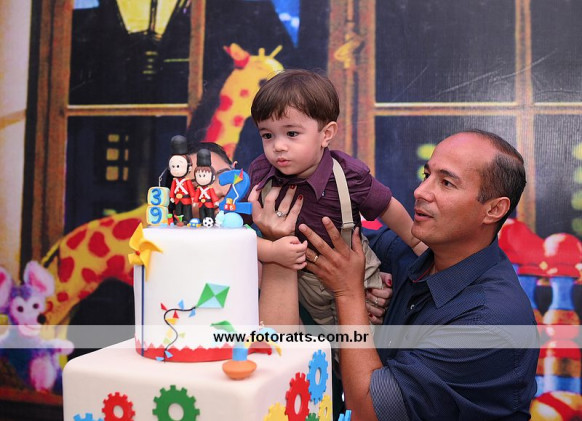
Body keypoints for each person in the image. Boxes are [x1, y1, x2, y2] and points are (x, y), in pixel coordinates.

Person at [258, 129, 539, 420]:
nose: (421, 191)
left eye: (446, 183)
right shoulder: (407, 254)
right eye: (426, 175)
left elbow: (366, 413)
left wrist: (350, 294)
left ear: (494, 209)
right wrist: (275, 235)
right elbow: (316, 248)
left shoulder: (489, 323)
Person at [247, 69, 425, 329]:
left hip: (357, 271)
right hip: (302, 276)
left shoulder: (349, 174)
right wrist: (272, 251)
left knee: (362, 333)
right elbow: (236, 233)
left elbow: (388, 207)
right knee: (310, 336)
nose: (278, 146)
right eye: (267, 135)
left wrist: (415, 242)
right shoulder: (261, 174)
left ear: (326, 134)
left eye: (292, 134)